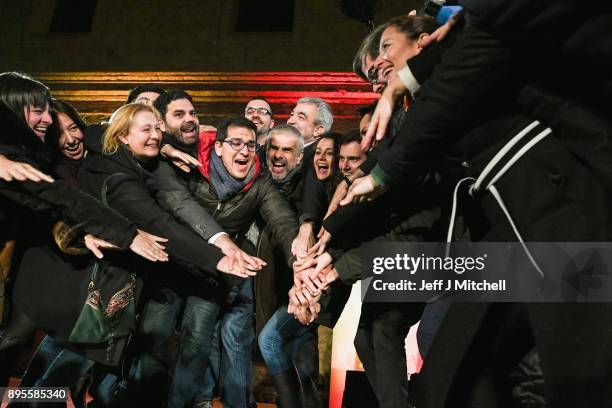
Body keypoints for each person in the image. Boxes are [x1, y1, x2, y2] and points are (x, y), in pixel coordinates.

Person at [342, 3, 612, 406]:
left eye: (386, 48)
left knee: (576, 364)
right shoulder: (443, 70)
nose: (379, 66)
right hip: (498, 237)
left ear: (424, 38)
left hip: (550, 201)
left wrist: (340, 237)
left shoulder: (456, 74)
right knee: (456, 368)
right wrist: (328, 236)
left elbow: (411, 173)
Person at [0, 72, 168, 391]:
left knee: (46, 342)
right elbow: (63, 199)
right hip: (42, 267)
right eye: (39, 110)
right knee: (21, 339)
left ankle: (33, 398)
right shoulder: (31, 159)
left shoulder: (75, 157)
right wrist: (127, 234)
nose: (48, 120)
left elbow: (58, 202)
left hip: (77, 271)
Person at [78, 103, 253, 408]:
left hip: (135, 278)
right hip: (101, 284)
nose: (156, 135)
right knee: (72, 362)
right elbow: (160, 222)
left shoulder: (142, 160)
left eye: (158, 128)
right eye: (147, 129)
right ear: (121, 136)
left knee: (104, 358)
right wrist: (217, 254)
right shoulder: (119, 175)